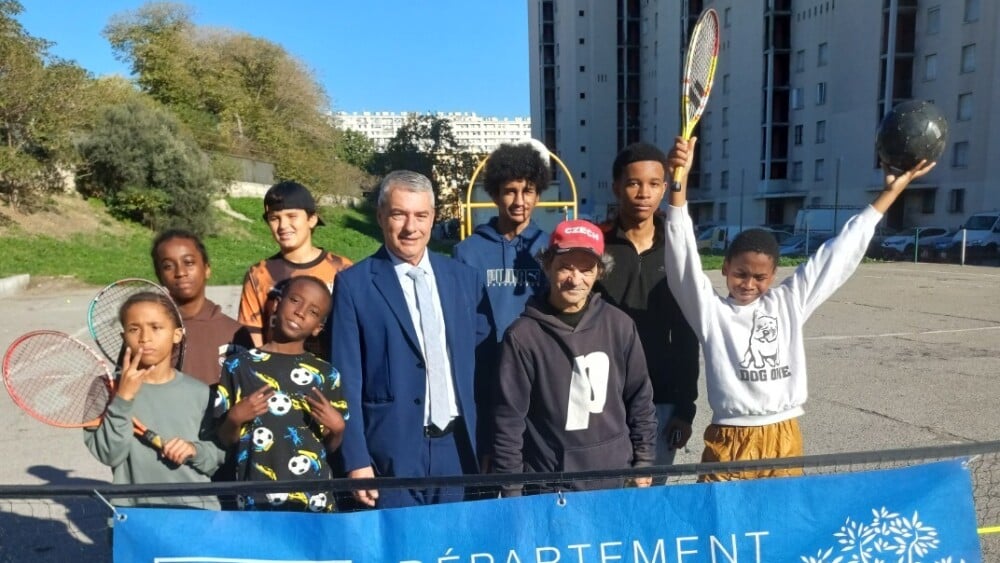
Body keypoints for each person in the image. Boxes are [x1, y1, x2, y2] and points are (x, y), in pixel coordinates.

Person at [663, 136, 936, 481]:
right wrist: (679, 182)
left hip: (785, 436)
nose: (748, 283)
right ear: (724, 268)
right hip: (730, 439)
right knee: (725, 524)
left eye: (760, 277)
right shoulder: (711, 312)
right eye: (740, 274)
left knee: (782, 526)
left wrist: (890, 194)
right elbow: (682, 259)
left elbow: (839, 253)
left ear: (774, 275)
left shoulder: (788, 302)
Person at [331, 170, 488, 509]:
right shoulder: (354, 285)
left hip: (459, 448)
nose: (410, 227)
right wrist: (356, 459)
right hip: (391, 452)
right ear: (380, 216)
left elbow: (483, 367)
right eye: (399, 214)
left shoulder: (464, 279)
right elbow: (347, 378)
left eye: (421, 215)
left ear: (433, 217)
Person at [491, 219, 657, 495]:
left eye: (585, 269)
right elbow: (508, 422)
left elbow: (639, 399)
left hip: (612, 479)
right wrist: (511, 490)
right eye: (566, 267)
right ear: (547, 265)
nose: (575, 278)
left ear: (599, 272)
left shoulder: (620, 325)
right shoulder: (522, 336)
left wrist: (645, 459)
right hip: (550, 485)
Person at [595, 142, 701, 467]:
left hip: (663, 399)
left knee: (652, 497)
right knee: (606, 497)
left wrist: (686, 409)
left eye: (654, 184)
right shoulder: (595, 245)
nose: (644, 193)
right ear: (616, 187)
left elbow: (687, 333)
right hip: (604, 399)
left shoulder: (677, 245)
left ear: (665, 188)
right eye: (633, 183)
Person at [452, 140, 551, 468]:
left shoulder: (550, 248)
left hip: (539, 377)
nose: (519, 201)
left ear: (539, 194)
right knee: (490, 470)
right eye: (510, 191)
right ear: (495, 194)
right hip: (486, 378)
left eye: (528, 191)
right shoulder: (468, 252)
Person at [215, 276, 347, 512]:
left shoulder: (326, 374)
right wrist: (235, 418)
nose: (300, 312)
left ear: (318, 327)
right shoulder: (238, 366)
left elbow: (330, 446)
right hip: (256, 502)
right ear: (277, 303)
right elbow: (224, 440)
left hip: (311, 505)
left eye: (313, 311)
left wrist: (337, 429)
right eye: (295, 300)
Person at [84, 292, 224, 507]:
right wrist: (123, 398)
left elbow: (216, 457)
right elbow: (109, 454)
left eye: (156, 327)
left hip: (196, 513)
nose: (144, 338)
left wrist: (194, 450)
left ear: (177, 335)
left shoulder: (200, 392)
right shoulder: (105, 388)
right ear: (124, 337)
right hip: (134, 516)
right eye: (134, 329)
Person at [237, 180, 352, 359]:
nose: (283, 226)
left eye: (292, 216)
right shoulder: (259, 274)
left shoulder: (343, 269)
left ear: (311, 219)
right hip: (276, 376)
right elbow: (252, 336)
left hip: (331, 376)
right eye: (274, 218)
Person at [151, 228, 252, 386]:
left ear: (207, 269)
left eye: (189, 263)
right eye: (168, 266)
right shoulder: (147, 331)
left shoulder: (235, 333)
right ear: (159, 276)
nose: (181, 272)